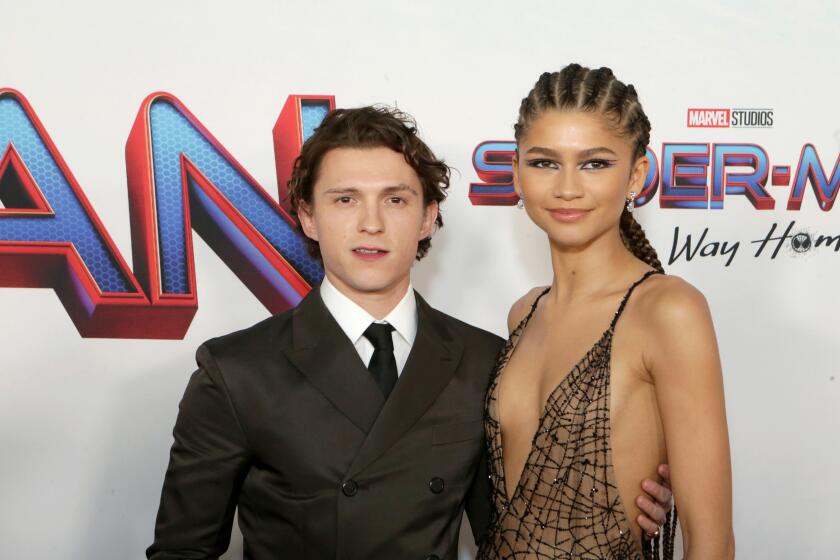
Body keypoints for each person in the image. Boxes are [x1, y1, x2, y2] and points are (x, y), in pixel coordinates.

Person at [146, 105, 674, 560]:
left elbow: (514, 531)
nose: (371, 223)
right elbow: (182, 552)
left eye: (395, 199)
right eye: (345, 199)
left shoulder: (483, 359)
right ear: (308, 216)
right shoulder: (236, 371)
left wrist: (626, 499)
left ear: (427, 218)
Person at [477, 64, 735, 560]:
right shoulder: (524, 313)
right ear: (515, 171)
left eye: (595, 163)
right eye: (544, 163)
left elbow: (712, 544)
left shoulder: (666, 311)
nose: (567, 187)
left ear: (636, 173)